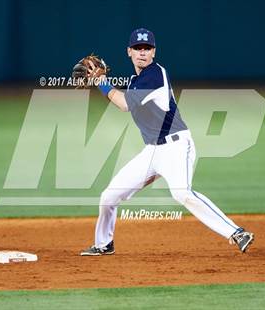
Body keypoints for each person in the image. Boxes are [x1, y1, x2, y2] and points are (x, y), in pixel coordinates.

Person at [80, 28, 254, 256]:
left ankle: (236, 232)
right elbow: (124, 98)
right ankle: (104, 244)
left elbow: (123, 104)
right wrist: (103, 82)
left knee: (181, 192)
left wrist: (102, 82)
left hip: (176, 147)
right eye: (137, 48)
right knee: (109, 196)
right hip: (152, 151)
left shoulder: (155, 74)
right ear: (129, 52)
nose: (142, 53)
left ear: (154, 52)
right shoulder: (136, 80)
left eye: (147, 48)